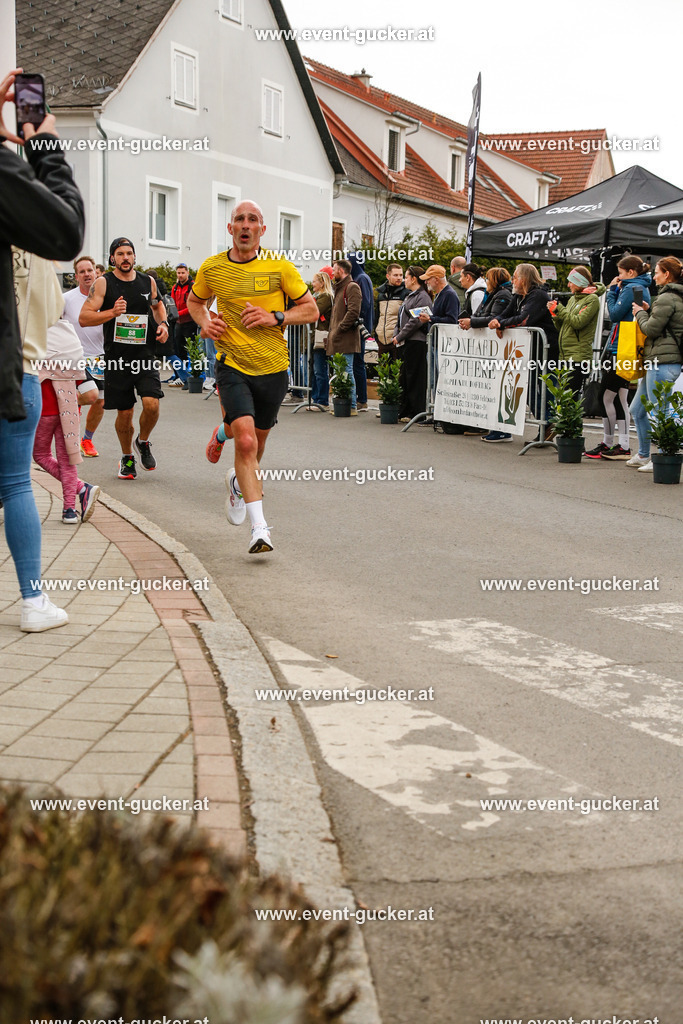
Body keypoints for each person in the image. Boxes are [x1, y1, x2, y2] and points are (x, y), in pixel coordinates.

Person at [0, 67, 85, 631]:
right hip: (15, 371)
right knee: (13, 485)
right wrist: (40, 145)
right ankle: (33, 600)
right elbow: (64, 227)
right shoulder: (31, 248)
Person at [189, 200, 318, 554]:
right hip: (232, 364)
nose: (246, 225)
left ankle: (234, 474)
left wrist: (276, 317)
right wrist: (205, 322)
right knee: (245, 443)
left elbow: (311, 310)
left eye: (253, 220)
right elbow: (195, 302)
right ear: (230, 229)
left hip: (273, 369)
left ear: (262, 230)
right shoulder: (212, 268)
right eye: (239, 219)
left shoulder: (279, 267)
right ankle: (260, 528)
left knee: (255, 449)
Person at [79, 236, 169, 478]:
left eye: (129, 253)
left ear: (134, 256)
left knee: (152, 404)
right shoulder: (103, 284)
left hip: (145, 356)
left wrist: (164, 325)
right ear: (112, 258)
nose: (125, 258)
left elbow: (158, 306)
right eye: (120, 254)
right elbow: (84, 317)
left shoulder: (147, 281)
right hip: (117, 359)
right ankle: (127, 457)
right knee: (125, 413)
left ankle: (144, 441)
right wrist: (112, 312)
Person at [586, 256, 652, 462]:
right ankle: (620, 443)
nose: (617, 277)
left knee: (606, 396)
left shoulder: (630, 288)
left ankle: (615, 443)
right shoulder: (637, 286)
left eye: (621, 273)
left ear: (631, 272)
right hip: (624, 347)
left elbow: (614, 314)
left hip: (623, 348)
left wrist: (612, 292)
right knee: (619, 396)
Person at [34, 319, 101, 523]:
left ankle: (82, 487)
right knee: (67, 459)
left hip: (44, 412)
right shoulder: (71, 356)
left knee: (40, 454)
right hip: (69, 413)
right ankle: (69, 510)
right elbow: (90, 393)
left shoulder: (36, 353)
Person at [489, 264, 559, 440]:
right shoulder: (519, 295)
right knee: (527, 388)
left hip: (544, 349)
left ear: (524, 278)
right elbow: (506, 313)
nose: (512, 280)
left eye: (515, 276)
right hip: (529, 349)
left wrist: (502, 324)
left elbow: (524, 319)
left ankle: (549, 423)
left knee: (544, 387)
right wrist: (498, 321)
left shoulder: (538, 295)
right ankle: (546, 423)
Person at [629, 256, 683, 472]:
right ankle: (643, 454)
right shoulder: (674, 297)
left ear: (667, 275)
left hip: (662, 362)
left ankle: (662, 455)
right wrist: (648, 312)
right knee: (638, 409)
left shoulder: (666, 297)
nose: (653, 275)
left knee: (657, 411)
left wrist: (640, 313)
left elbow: (651, 330)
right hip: (664, 361)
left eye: (657, 272)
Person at [460, 267, 514, 442]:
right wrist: (471, 320)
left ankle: (503, 430)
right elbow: (481, 314)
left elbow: (493, 317)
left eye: (489, 279)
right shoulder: (494, 294)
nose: (486, 283)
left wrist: (473, 322)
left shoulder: (503, 295)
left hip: (500, 348)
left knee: (501, 388)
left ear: (495, 280)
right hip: (491, 348)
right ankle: (496, 427)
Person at [62, 255, 105, 457]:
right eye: (82, 271)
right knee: (90, 395)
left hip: (102, 357)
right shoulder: (67, 299)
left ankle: (86, 440)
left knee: (101, 402)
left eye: (90, 270)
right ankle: (69, 418)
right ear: (77, 276)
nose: (87, 274)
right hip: (76, 356)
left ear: (96, 272)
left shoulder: (106, 296)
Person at [392, 266, 432, 422]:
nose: (404, 280)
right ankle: (405, 409)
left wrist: (401, 334)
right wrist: (397, 333)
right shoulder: (410, 296)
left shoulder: (422, 296)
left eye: (406, 277)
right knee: (405, 376)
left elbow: (415, 321)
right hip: (406, 341)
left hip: (416, 341)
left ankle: (416, 411)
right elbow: (401, 317)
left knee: (415, 377)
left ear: (414, 279)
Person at [327, 259, 362, 415]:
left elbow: (354, 312)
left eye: (334, 270)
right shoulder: (340, 288)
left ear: (341, 271)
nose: (332, 273)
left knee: (346, 370)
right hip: (339, 336)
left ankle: (352, 405)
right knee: (341, 371)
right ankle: (344, 403)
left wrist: (339, 328)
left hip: (345, 337)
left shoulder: (351, 287)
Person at [348, 252, 374, 411]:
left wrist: (357, 321)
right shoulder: (361, 277)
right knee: (357, 363)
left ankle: (362, 399)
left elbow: (364, 304)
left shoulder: (361, 279)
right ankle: (360, 398)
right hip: (360, 326)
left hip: (359, 327)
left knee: (358, 363)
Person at [167, 262, 195, 387]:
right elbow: (172, 303)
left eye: (183, 273)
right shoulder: (175, 287)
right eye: (178, 273)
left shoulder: (192, 287)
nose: (181, 275)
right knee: (178, 351)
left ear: (187, 273)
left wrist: (178, 313)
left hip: (190, 322)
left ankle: (194, 376)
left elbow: (192, 306)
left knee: (192, 350)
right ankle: (180, 376)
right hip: (178, 323)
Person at [309, 270, 333, 411]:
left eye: (314, 281)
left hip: (320, 336)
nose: (312, 284)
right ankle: (316, 399)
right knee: (315, 369)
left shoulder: (325, 297)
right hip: (315, 336)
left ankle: (322, 400)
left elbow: (314, 312)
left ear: (322, 283)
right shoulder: (318, 296)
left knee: (320, 369)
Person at [375, 263, 409, 360]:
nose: (399, 278)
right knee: (382, 371)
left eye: (401, 275)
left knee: (397, 372)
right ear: (388, 276)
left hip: (397, 340)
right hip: (382, 340)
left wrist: (400, 336)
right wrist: (376, 334)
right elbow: (378, 315)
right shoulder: (381, 294)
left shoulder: (406, 293)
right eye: (395, 275)